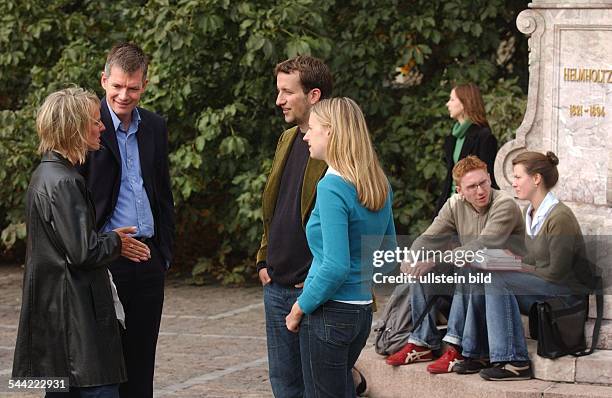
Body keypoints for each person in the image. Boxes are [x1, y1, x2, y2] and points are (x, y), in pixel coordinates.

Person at [12, 87, 151, 397]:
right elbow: (82, 251)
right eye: (94, 121)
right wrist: (114, 241)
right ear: (74, 127)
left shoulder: (46, 175)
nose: (101, 126)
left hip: (58, 320)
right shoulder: (65, 181)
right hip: (77, 323)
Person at [77, 43, 175, 398]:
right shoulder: (88, 126)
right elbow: (76, 194)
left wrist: (164, 253)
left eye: (133, 88)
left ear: (144, 85)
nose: (124, 95)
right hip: (105, 258)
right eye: (117, 86)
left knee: (141, 361)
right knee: (102, 363)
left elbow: (163, 193)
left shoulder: (154, 125)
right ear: (104, 80)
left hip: (148, 259)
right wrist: (95, 246)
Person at [284, 97, 396, 397]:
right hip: (360, 314)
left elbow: (335, 265)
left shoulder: (332, 186)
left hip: (329, 314)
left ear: (331, 132)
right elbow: (388, 256)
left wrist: (299, 307)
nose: (306, 134)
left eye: (313, 128)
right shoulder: (379, 184)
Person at [386, 156, 524, 374]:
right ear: (459, 190)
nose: (480, 191)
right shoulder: (454, 204)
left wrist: (433, 261)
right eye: (472, 186)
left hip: (507, 283)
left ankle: (455, 347)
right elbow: (428, 238)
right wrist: (412, 258)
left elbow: (482, 245)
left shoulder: (504, 204)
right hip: (476, 280)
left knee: (465, 266)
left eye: (483, 182)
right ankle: (422, 343)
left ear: (490, 178)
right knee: (424, 271)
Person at [471, 151, 588, 380]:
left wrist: (515, 265)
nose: (513, 183)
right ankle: (476, 352)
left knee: (497, 278)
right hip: (544, 286)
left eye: (517, 177)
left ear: (536, 179)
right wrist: (508, 260)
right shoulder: (530, 212)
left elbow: (557, 273)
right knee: (482, 274)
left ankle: (516, 361)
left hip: (565, 295)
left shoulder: (559, 217)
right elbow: (534, 261)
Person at [256, 55, 332, 397]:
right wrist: (262, 258)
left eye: (287, 92)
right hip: (276, 284)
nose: (279, 101)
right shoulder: (287, 139)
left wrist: (317, 277)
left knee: (319, 386)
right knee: (284, 384)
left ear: (313, 95)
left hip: (312, 289)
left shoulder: (337, 144)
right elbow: (273, 204)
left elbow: (349, 222)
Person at [435, 83, 498, 216]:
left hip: (471, 211)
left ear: (465, 103)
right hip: (451, 206)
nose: (448, 104)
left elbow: (488, 179)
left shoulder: (484, 137)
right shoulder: (452, 139)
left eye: (452, 99)